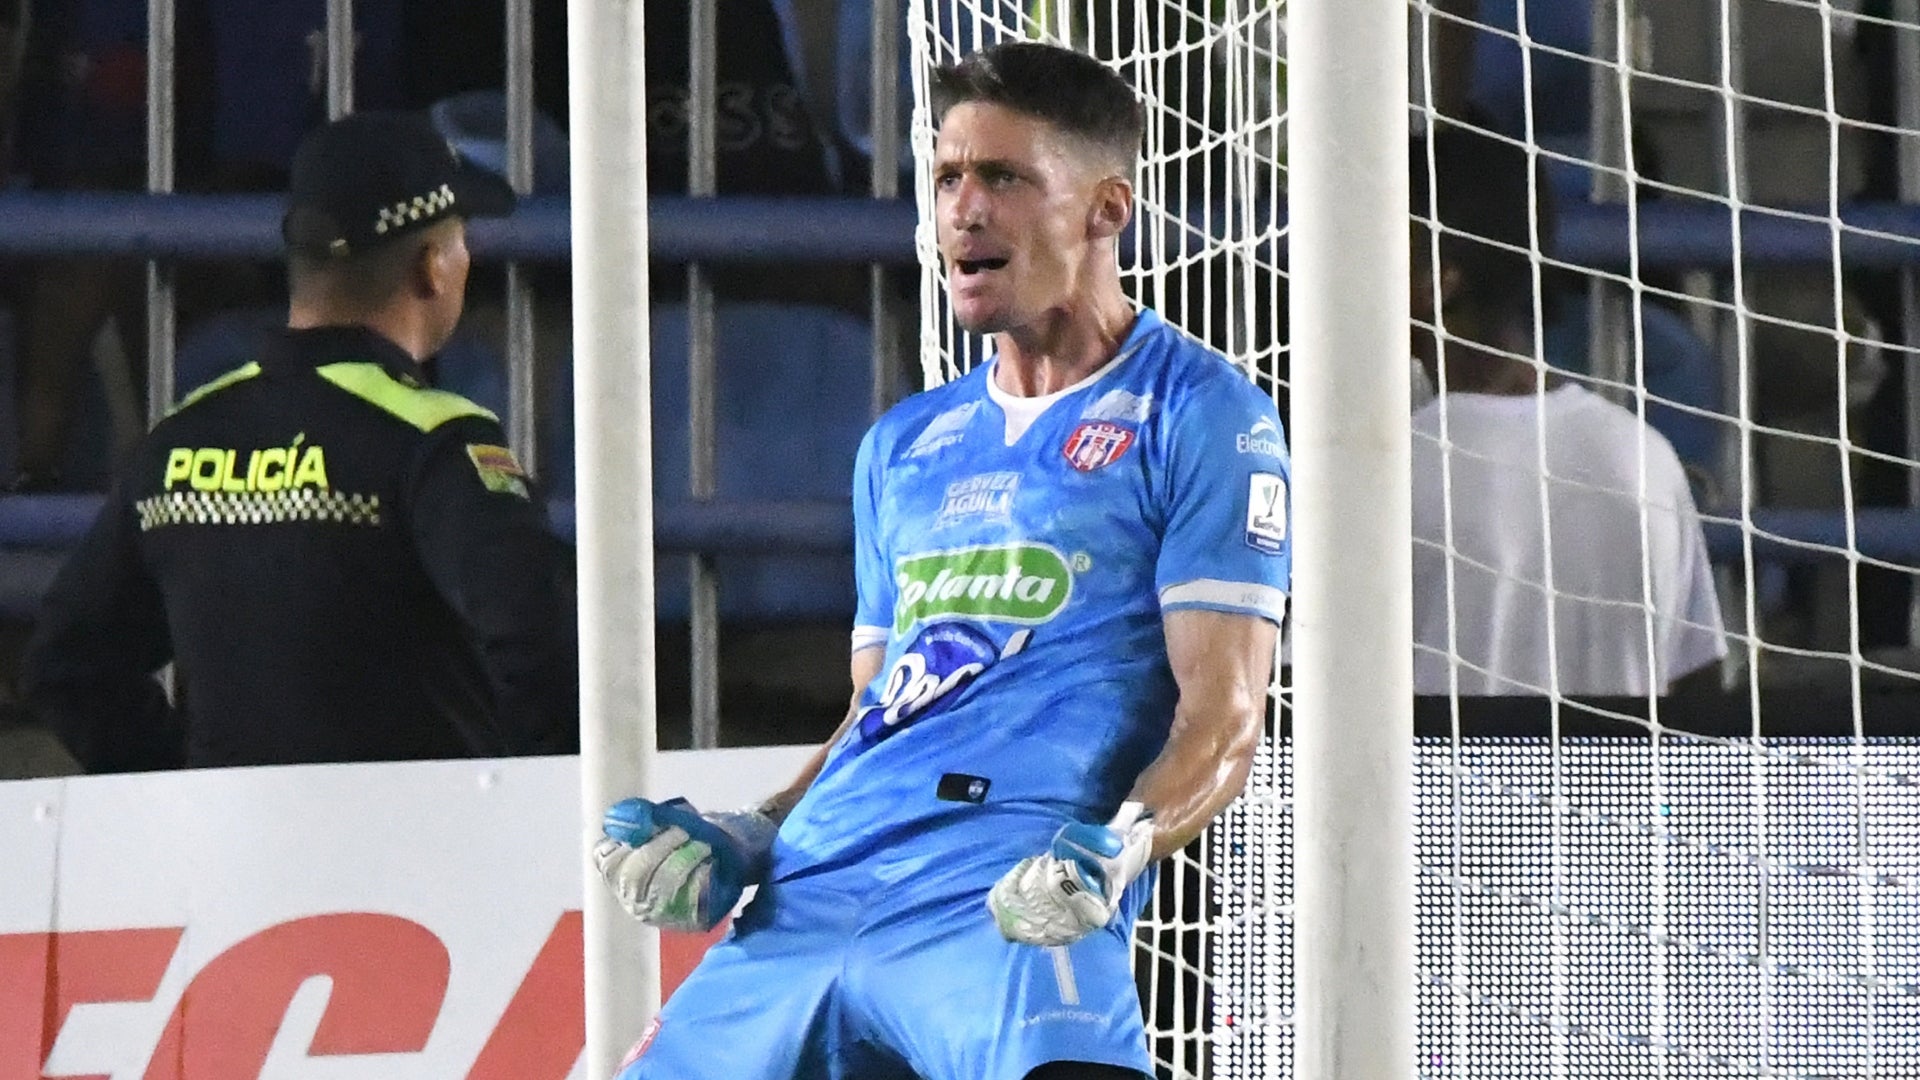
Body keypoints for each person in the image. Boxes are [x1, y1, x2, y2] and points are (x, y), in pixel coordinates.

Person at [593, 41, 1289, 1080]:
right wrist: (752, 831)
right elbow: (877, 718)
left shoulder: (1201, 414)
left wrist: (1121, 845)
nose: (964, 210)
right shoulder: (904, 446)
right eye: (949, 178)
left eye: (1004, 178)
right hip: (814, 885)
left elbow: (1225, 720)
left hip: (1004, 890)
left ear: (1107, 209)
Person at [21, 110, 578, 770]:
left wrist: (184, 788)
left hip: (230, 866)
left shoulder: (177, 441)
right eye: (460, 242)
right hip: (417, 858)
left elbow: (66, 663)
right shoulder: (437, 441)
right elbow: (544, 648)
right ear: (431, 267)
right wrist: (510, 805)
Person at [1409, 121, 1726, 696]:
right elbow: (1700, 693)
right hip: (1623, 788)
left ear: (1437, 282)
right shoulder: (1646, 456)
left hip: (1440, 788)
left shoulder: (1392, 473)